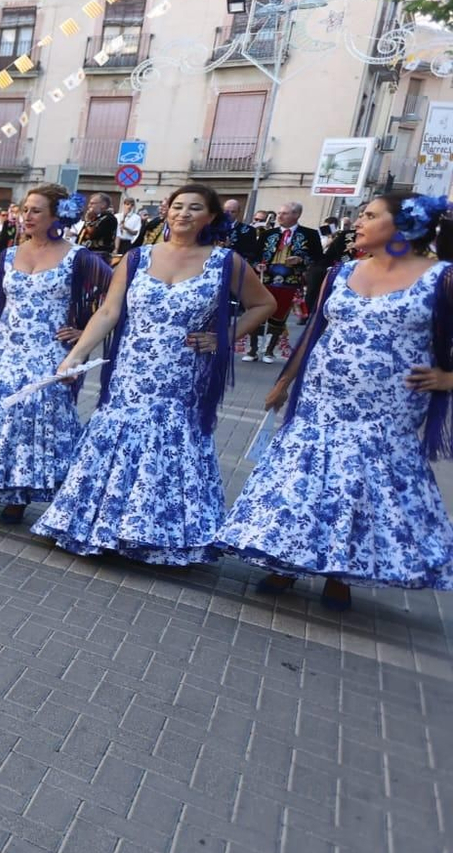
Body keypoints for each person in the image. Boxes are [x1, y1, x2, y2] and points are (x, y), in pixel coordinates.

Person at [216, 192, 453, 609]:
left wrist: (447, 377)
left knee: (357, 486)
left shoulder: (442, 278)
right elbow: (313, 333)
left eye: (370, 215)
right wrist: (285, 380)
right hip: (321, 401)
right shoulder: (342, 271)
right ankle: (285, 562)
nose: (358, 221)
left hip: (386, 411)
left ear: (405, 225)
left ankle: (340, 573)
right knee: (307, 479)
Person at [32, 183, 274, 564]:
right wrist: (75, 355)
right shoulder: (137, 257)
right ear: (166, 211)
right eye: (177, 206)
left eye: (195, 208)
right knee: (118, 439)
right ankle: (101, 526)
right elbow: (109, 312)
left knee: (170, 446)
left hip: (183, 376)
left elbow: (264, 304)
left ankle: (153, 536)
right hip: (131, 372)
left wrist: (223, 338)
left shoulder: (225, 262)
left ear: (210, 217)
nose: (184, 214)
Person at [0, 186, 111, 524]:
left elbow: (114, 298)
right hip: (5, 352)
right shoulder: (9, 255)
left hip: (48, 354)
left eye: (35, 211)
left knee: (32, 423)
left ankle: (20, 496)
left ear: (57, 216)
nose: (26, 217)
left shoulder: (79, 257)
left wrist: (83, 328)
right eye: (24, 210)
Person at [249, 200, 321, 363]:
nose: (279, 216)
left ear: (296, 215)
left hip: (290, 280)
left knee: (280, 315)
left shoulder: (310, 234)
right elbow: (254, 255)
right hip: (265, 279)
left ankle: (269, 350)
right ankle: (253, 349)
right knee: (257, 312)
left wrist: (301, 260)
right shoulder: (268, 233)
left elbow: (318, 258)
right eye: (279, 213)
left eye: (284, 213)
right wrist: (257, 265)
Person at [76, 193, 118, 259]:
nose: (89, 206)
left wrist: (88, 221)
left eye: (92, 203)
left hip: (98, 255)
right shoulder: (94, 218)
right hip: (85, 253)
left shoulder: (109, 218)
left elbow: (93, 234)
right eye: (89, 203)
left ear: (103, 205)